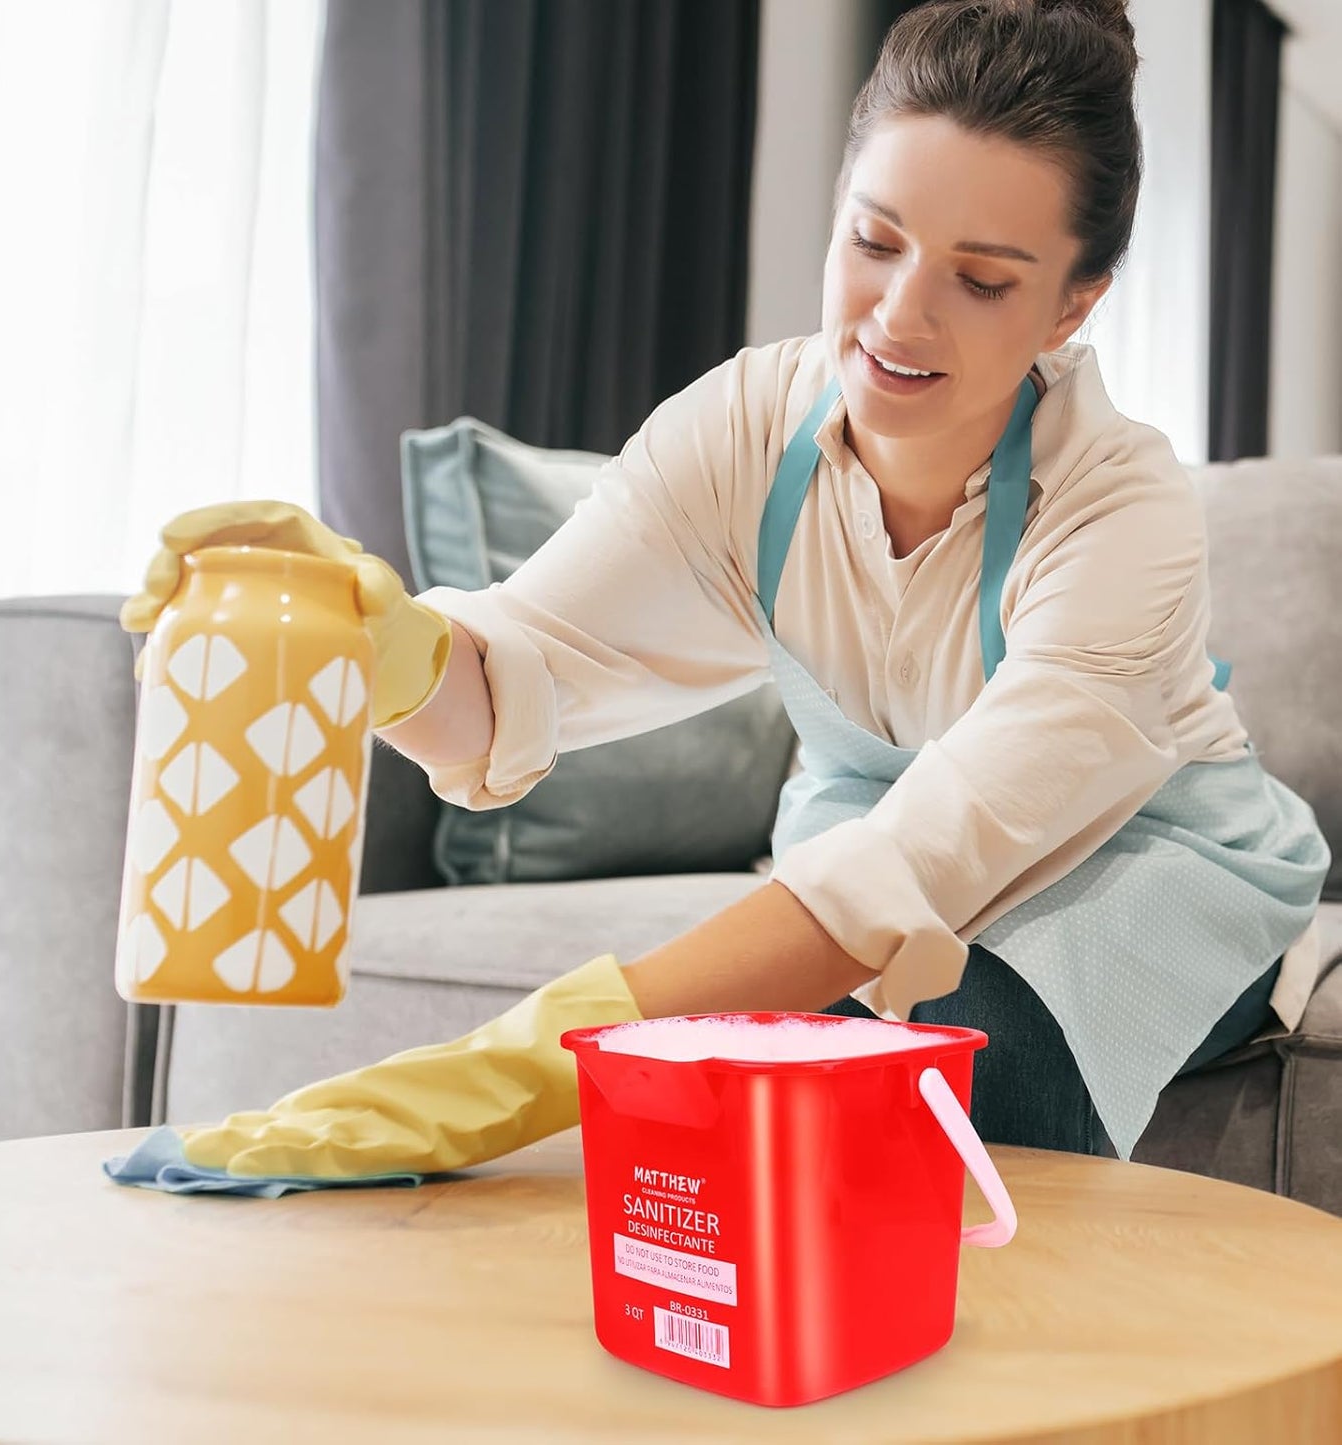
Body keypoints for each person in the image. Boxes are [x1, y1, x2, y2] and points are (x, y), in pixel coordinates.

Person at [121, 0, 1329, 1179]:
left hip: (1146, 868)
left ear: (1073, 302)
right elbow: (509, 682)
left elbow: (919, 858)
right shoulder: (748, 431)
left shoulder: (1120, 508)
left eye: (981, 279)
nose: (898, 314)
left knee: (953, 1050)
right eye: (873, 240)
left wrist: (532, 1064)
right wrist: (373, 641)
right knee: (788, 1073)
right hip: (865, 844)